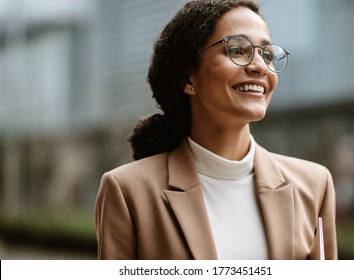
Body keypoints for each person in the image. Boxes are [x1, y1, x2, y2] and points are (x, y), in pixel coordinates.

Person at [95, 0, 337, 260]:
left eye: (266, 54)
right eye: (237, 49)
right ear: (189, 77)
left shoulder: (314, 185)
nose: (259, 65)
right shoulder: (127, 190)